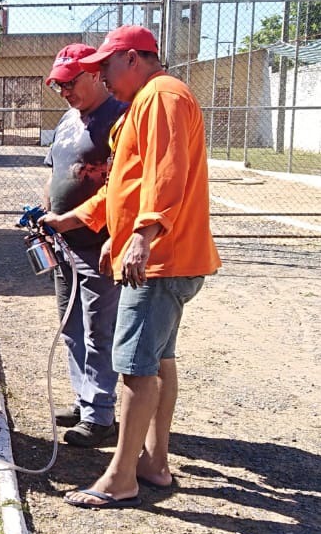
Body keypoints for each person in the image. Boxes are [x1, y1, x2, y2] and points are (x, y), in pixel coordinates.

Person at [41, 25, 221, 509]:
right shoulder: (147, 102)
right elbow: (125, 183)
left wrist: (141, 237)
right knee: (159, 360)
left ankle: (121, 477)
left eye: (105, 65)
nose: (100, 73)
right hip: (162, 257)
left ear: (133, 59)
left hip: (160, 262)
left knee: (134, 371)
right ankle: (154, 463)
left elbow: (167, 174)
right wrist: (84, 221)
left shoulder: (162, 96)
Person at [43, 44, 128, 448]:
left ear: (95, 74)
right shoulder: (67, 120)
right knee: (72, 327)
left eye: (70, 82)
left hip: (100, 244)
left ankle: (100, 415)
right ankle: (85, 400)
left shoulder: (120, 117)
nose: (64, 91)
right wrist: (47, 215)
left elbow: (123, 188)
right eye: (58, 84)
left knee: (100, 329)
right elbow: (54, 172)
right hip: (64, 241)